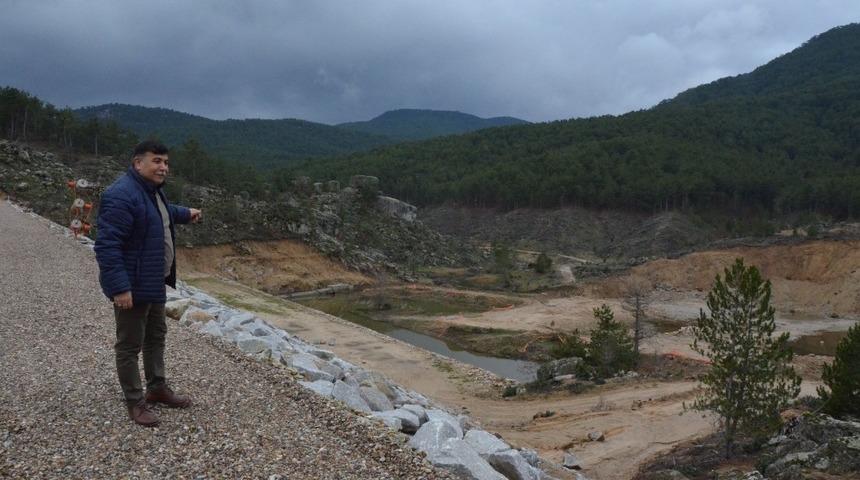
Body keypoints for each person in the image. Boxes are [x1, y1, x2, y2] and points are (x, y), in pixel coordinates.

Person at [95, 140, 202, 427]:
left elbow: (161, 213)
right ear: (137, 163)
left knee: (156, 336)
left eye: (166, 162)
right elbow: (107, 246)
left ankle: (156, 388)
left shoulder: (151, 192)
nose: (163, 167)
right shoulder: (120, 195)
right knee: (129, 346)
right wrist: (119, 287)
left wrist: (186, 213)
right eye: (156, 161)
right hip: (133, 285)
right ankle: (135, 402)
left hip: (154, 281)